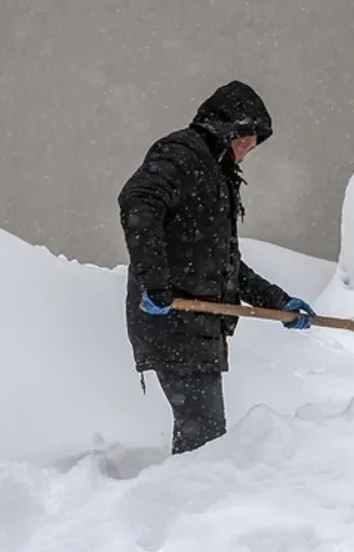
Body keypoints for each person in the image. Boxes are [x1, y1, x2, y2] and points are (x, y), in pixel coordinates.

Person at [117, 79, 316, 455]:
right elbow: (138, 200)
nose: (249, 151)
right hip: (173, 320)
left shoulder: (214, 173)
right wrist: (154, 282)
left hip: (197, 327)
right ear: (228, 129)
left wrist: (280, 302)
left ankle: (184, 501)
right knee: (204, 439)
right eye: (247, 140)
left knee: (203, 439)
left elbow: (225, 263)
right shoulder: (182, 154)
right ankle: (184, 506)